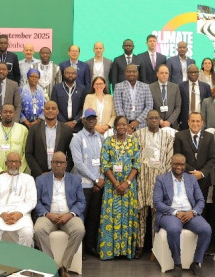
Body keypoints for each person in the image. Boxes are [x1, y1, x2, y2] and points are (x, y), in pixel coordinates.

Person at [154, 153, 211, 276]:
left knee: (206, 229)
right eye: (176, 164)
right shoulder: (161, 179)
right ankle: (177, 263)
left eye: (181, 164)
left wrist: (193, 212)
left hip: (190, 213)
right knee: (174, 229)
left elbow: (201, 200)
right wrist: (175, 212)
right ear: (171, 164)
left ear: (185, 165)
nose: (178, 167)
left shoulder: (191, 179)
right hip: (170, 214)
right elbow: (157, 202)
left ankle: (196, 263)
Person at [34, 152, 86, 277]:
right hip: (48, 215)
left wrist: (70, 214)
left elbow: (81, 202)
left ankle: (64, 266)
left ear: (66, 164)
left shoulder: (75, 180)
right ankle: (51, 264)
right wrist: (47, 214)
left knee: (79, 229)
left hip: (68, 215)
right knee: (38, 229)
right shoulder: (41, 180)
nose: (58, 165)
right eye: (55, 162)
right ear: (51, 164)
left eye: (61, 162)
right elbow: (36, 201)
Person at [174, 111, 215, 254]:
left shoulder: (210, 137)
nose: (195, 124)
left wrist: (201, 173)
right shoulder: (180, 136)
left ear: (202, 123)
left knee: (200, 211)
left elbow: (212, 159)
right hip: (185, 180)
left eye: (198, 121)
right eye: (192, 121)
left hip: (203, 181)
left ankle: (201, 247)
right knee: (185, 209)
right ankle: (185, 246)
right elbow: (178, 158)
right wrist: (193, 173)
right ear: (188, 122)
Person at [98, 116, 140, 260]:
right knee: (112, 217)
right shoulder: (107, 142)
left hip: (129, 187)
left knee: (126, 217)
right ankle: (110, 251)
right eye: (119, 124)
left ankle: (125, 251)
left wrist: (126, 183)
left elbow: (136, 164)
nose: (122, 127)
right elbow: (104, 164)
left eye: (124, 124)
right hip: (111, 187)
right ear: (115, 127)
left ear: (128, 126)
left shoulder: (133, 142)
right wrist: (116, 183)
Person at [135, 110, 174, 258]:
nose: (153, 120)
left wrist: (165, 179)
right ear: (146, 119)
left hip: (159, 181)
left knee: (157, 214)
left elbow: (170, 159)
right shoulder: (138, 135)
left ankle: (155, 246)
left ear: (160, 119)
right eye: (151, 118)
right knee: (141, 214)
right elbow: (135, 156)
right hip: (142, 179)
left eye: (156, 118)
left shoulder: (167, 136)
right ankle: (139, 245)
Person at [70, 109, 105, 256]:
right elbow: (78, 163)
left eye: (93, 118)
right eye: (88, 118)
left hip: (98, 185)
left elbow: (104, 160)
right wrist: (95, 179)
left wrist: (101, 178)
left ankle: (90, 246)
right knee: (82, 218)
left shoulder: (101, 138)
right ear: (83, 120)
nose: (91, 121)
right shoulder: (77, 139)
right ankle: (80, 249)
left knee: (94, 217)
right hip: (83, 186)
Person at [0, 151, 37, 246]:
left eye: (16, 161)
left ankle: (23, 260)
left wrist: (19, 213)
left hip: (22, 215)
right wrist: (2, 214)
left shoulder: (28, 179)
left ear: (20, 164)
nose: (14, 164)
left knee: (27, 232)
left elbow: (31, 201)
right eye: (11, 161)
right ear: (6, 164)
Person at [0, 104, 29, 187]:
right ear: (0, 113)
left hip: (17, 175)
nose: (8, 114)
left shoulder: (23, 130)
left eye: (11, 112)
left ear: (14, 114)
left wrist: (18, 171)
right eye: (5, 112)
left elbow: (27, 153)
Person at [26, 100, 75, 177]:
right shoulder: (34, 129)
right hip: (39, 176)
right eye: (47, 108)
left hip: (60, 175)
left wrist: (63, 172)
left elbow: (71, 155)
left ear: (58, 111)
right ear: (43, 111)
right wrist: (40, 173)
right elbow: (28, 153)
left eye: (53, 108)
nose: (50, 111)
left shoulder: (66, 130)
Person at [113, 64, 153, 132]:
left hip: (141, 125)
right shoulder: (118, 87)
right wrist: (125, 123)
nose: (131, 74)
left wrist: (137, 121)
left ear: (137, 73)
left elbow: (149, 106)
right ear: (125, 73)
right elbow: (118, 107)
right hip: (123, 126)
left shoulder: (145, 87)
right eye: (129, 71)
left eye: (134, 71)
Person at [51, 65, 87, 130]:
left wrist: (75, 121)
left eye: (73, 73)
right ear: (64, 74)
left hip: (78, 125)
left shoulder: (82, 89)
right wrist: (64, 123)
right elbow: (54, 107)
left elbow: (84, 108)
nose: (70, 75)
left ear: (76, 75)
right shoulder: (56, 88)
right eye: (68, 73)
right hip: (60, 125)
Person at [178, 65, 212, 129]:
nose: (193, 74)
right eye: (191, 72)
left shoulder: (206, 87)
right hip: (185, 120)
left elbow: (209, 105)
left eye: (195, 72)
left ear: (198, 73)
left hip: (201, 120)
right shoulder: (181, 86)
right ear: (187, 73)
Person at [150, 64, 182, 128]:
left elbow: (178, 107)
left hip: (172, 124)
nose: (164, 75)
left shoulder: (175, 87)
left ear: (168, 74)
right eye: (162, 73)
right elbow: (150, 107)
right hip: (156, 123)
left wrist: (169, 121)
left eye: (166, 73)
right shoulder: (150, 87)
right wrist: (160, 120)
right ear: (157, 74)